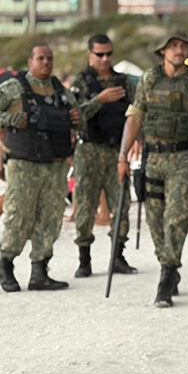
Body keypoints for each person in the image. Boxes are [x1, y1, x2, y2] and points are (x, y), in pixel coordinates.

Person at [0, 45, 80, 292]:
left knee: (51, 217)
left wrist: (77, 118)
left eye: (49, 59)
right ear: (30, 60)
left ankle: (39, 271)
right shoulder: (15, 87)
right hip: (23, 164)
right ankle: (6, 264)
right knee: (19, 215)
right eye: (40, 58)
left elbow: (76, 117)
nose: (45, 63)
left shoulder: (61, 91)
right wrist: (9, 120)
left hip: (54, 165)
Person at [118, 32, 188, 307]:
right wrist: (123, 156)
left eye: (183, 46)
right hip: (152, 159)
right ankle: (167, 264)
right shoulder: (149, 78)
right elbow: (135, 116)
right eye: (174, 46)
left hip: (182, 158)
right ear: (163, 51)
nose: (179, 50)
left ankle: (167, 276)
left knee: (177, 217)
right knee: (155, 221)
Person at [69, 34, 137, 278]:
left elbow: (135, 112)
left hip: (116, 152)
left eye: (109, 53)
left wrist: (136, 140)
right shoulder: (82, 82)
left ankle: (117, 256)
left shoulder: (123, 82)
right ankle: (84, 259)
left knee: (121, 203)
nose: (105, 58)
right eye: (100, 54)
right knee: (86, 204)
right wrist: (99, 100)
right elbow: (74, 115)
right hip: (89, 150)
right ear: (90, 55)